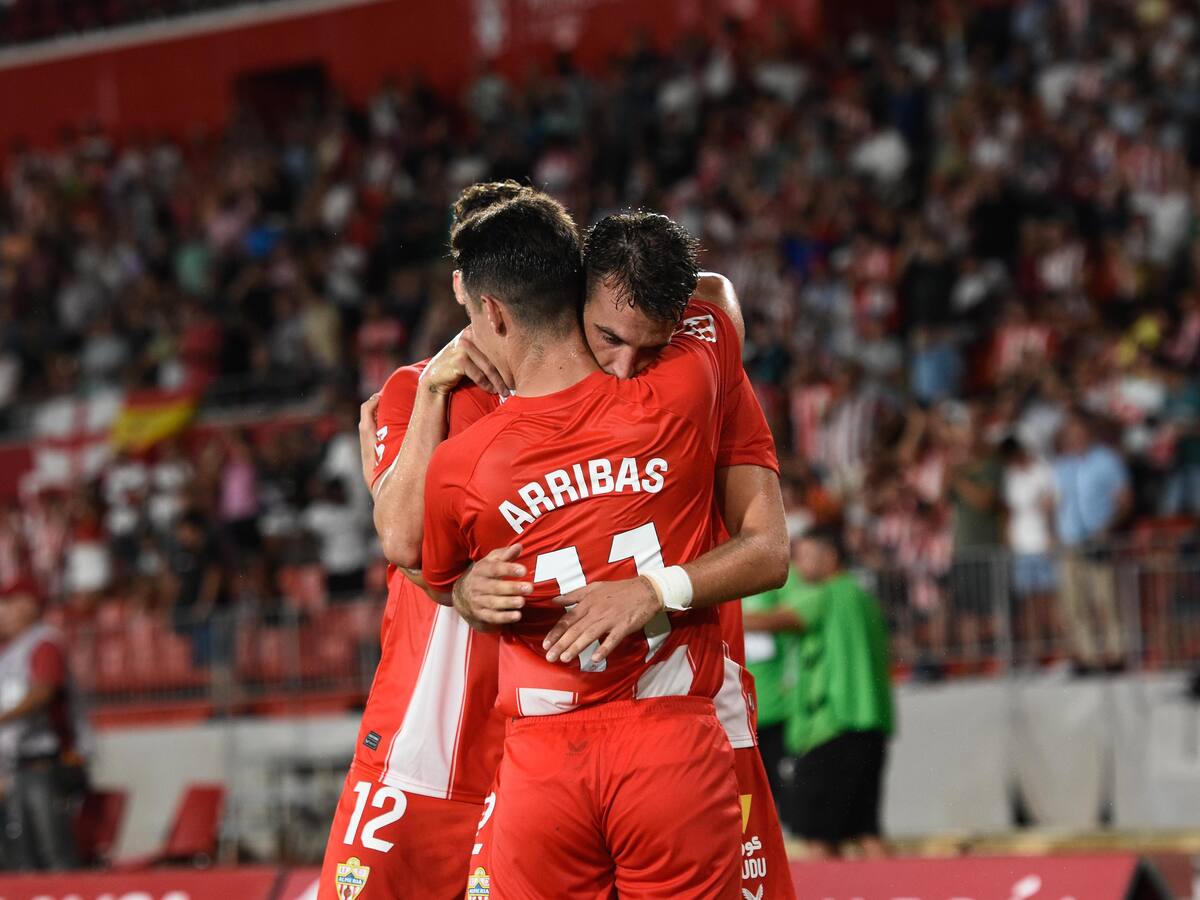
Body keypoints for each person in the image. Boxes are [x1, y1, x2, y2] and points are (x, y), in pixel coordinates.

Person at [324, 186, 793, 899]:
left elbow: (401, 540)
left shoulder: (670, 370)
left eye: (644, 343)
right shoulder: (431, 391)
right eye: (612, 338)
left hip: (614, 728)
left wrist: (454, 581)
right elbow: (719, 297)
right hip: (465, 739)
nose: (628, 361)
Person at [740, 526, 894, 859]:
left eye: (806, 556)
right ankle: (899, 886)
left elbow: (778, 619)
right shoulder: (862, 597)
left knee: (817, 836)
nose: (798, 566)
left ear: (831, 557)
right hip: (871, 722)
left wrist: (716, 614)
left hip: (831, 727)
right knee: (865, 830)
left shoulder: (824, 595)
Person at [0, 577, 88, 871]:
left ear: (28, 605)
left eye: (8, 603)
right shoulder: (9, 650)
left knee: (51, 850)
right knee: (20, 854)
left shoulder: (44, 642)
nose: (2, 611)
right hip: (14, 766)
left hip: (46, 761)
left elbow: (44, 691)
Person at [1051, 410, 1131, 673]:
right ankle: (1087, 657)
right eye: (1069, 432)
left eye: (1077, 431)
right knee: (1074, 604)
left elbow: (1124, 500)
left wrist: (1109, 528)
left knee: (1107, 599)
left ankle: (1117, 654)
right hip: (1070, 543)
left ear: (1088, 432)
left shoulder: (1107, 460)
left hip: (1098, 541)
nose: (1073, 436)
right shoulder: (1062, 465)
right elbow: (1057, 503)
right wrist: (1053, 533)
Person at [999, 436, 1059, 666]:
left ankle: (1056, 651)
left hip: (1042, 543)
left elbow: (1052, 504)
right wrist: (1008, 539)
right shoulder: (1010, 476)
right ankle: (1036, 652)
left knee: (1048, 600)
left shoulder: (1042, 470)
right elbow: (1009, 509)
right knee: (1028, 602)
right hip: (1022, 546)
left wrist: (1051, 535)